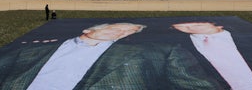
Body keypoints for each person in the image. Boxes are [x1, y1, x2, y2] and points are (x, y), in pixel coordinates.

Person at [27, 23, 229, 90]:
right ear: (89, 29)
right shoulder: (33, 50)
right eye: (120, 28)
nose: (121, 33)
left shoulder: (153, 54)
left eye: (127, 33)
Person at [172, 22, 252, 90]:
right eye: (183, 27)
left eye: (198, 25)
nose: (189, 27)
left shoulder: (245, 38)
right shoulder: (182, 46)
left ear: (219, 26)